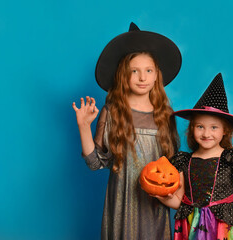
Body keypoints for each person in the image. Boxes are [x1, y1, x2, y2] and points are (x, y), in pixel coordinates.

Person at [72, 22, 181, 240]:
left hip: (155, 207)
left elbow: (174, 167)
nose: (143, 78)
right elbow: (95, 163)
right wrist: (84, 127)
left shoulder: (165, 114)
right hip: (122, 205)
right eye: (135, 71)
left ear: (157, 75)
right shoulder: (112, 112)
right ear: (123, 74)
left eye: (148, 71)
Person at [156, 73, 233, 240]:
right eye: (200, 126)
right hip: (191, 225)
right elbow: (178, 201)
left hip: (222, 227)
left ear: (225, 130)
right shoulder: (183, 160)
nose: (206, 133)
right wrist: (161, 196)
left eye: (214, 127)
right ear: (192, 128)